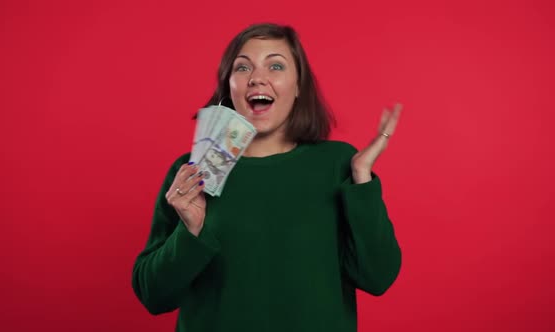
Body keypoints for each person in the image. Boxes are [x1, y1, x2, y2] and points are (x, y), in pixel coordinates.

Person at [131, 22, 402, 332]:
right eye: (243, 68)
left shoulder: (337, 164)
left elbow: (378, 277)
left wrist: (362, 180)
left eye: (276, 65)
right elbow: (153, 296)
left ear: (299, 85)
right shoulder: (192, 173)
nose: (258, 78)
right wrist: (190, 232)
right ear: (228, 86)